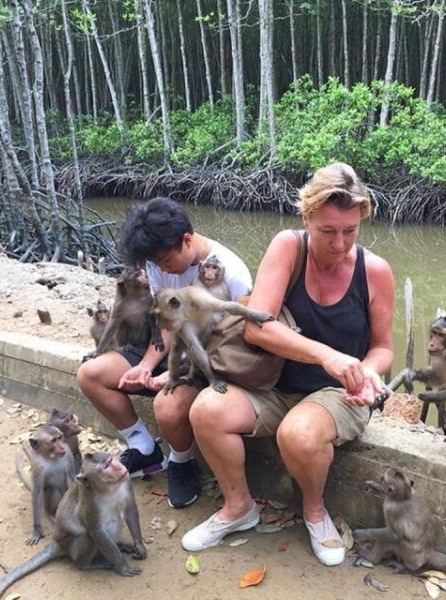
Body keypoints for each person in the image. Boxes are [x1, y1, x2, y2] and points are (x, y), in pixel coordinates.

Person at [181, 163, 395, 566]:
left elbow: (382, 348)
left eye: (350, 231)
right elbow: (257, 328)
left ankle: (314, 511)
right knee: (207, 410)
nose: (339, 243)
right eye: (328, 231)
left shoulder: (375, 272)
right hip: (274, 384)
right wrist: (326, 354)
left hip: (336, 393)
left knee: (298, 434)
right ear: (306, 218)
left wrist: (367, 372)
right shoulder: (288, 247)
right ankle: (238, 507)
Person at [77, 197, 253, 508]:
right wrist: (147, 365)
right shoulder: (159, 263)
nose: (160, 269)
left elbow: (235, 336)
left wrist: (177, 372)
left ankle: (181, 460)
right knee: (90, 374)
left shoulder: (232, 273)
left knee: (167, 407)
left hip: (210, 357)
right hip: (173, 348)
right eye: (155, 264)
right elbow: (167, 324)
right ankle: (144, 448)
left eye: (165, 261)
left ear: (187, 240)